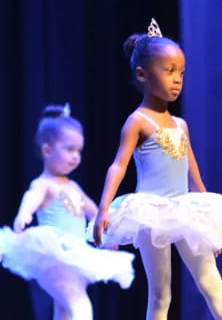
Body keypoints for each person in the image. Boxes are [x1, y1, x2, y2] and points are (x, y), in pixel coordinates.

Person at [91, 18, 222, 320]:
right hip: (151, 211)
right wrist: (104, 209)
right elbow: (118, 165)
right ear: (142, 74)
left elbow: (193, 171)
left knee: (213, 285)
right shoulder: (138, 121)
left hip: (186, 208)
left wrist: (209, 221)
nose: (177, 79)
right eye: (168, 71)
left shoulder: (181, 124)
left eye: (181, 72)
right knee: (160, 294)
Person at [0, 104, 134, 320]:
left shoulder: (73, 187)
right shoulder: (44, 184)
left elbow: (97, 213)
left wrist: (109, 235)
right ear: (47, 150)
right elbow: (31, 196)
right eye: (69, 149)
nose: (76, 156)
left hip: (76, 256)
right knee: (81, 307)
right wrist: (23, 213)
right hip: (56, 257)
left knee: (64, 313)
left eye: (79, 150)